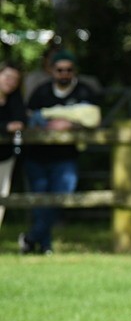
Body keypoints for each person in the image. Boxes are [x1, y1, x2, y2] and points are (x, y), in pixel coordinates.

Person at [20, 52, 101, 255]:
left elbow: (93, 118)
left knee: (61, 197)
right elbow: (30, 119)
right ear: (52, 71)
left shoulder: (84, 91)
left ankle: (30, 238)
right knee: (40, 202)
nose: (64, 73)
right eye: (60, 70)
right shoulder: (41, 91)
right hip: (36, 156)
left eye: (68, 69)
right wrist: (49, 124)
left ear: (74, 71)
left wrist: (69, 123)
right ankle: (45, 246)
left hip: (65, 157)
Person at [0, 62, 26, 231]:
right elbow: (12, 124)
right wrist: (5, 127)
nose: (11, 82)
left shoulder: (15, 98)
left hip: (5, 156)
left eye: (15, 79)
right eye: (7, 77)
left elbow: (21, 120)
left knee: (2, 197)